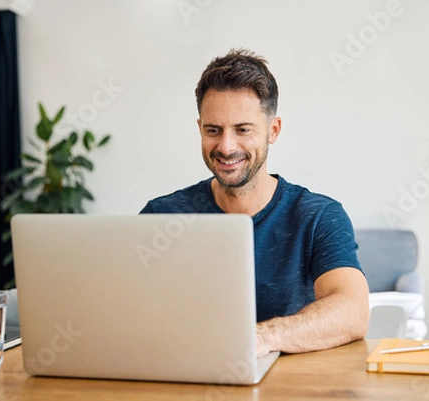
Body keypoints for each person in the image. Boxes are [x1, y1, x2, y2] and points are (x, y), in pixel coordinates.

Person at [140, 48, 369, 356]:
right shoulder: (161, 216)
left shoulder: (318, 217)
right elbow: (123, 307)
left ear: (272, 131)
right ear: (199, 129)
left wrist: (261, 338)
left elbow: (352, 311)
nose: (226, 146)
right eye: (213, 130)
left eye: (243, 129)